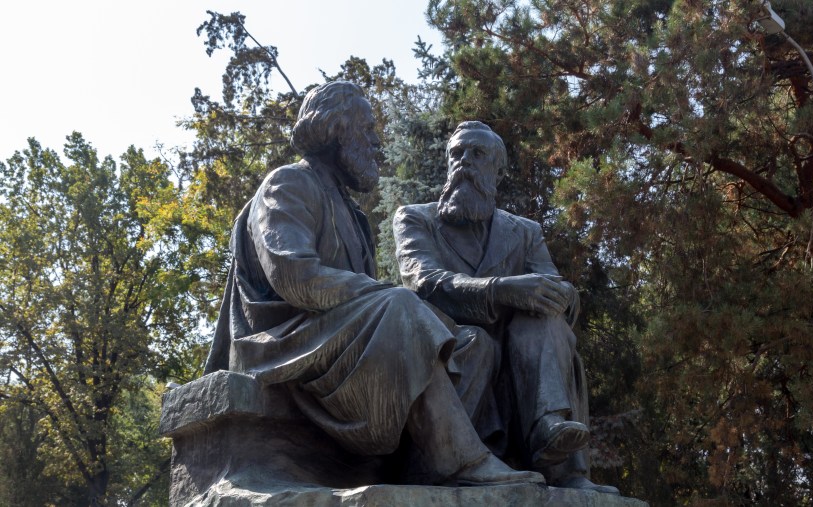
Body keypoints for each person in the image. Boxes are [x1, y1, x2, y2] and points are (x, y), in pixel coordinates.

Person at [202, 83, 543, 487]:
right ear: (334, 129)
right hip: (284, 342)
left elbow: (359, 297)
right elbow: (295, 279)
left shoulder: (353, 214)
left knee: (473, 343)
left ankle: (424, 469)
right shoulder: (288, 184)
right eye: (367, 129)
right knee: (400, 305)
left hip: (334, 337)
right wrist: (386, 297)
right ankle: (465, 462)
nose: (377, 142)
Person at [393, 121, 619, 494]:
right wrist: (503, 290)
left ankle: (553, 437)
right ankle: (445, 462)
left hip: (519, 363)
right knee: (478, 342)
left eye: (477, 154)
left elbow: (555, 288)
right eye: (456, 154)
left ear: (497, 170)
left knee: (543, 320)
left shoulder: (524, 231)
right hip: (454, 345)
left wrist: (558, 295)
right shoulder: (417, 219)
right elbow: (424, 283)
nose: (464, 161)